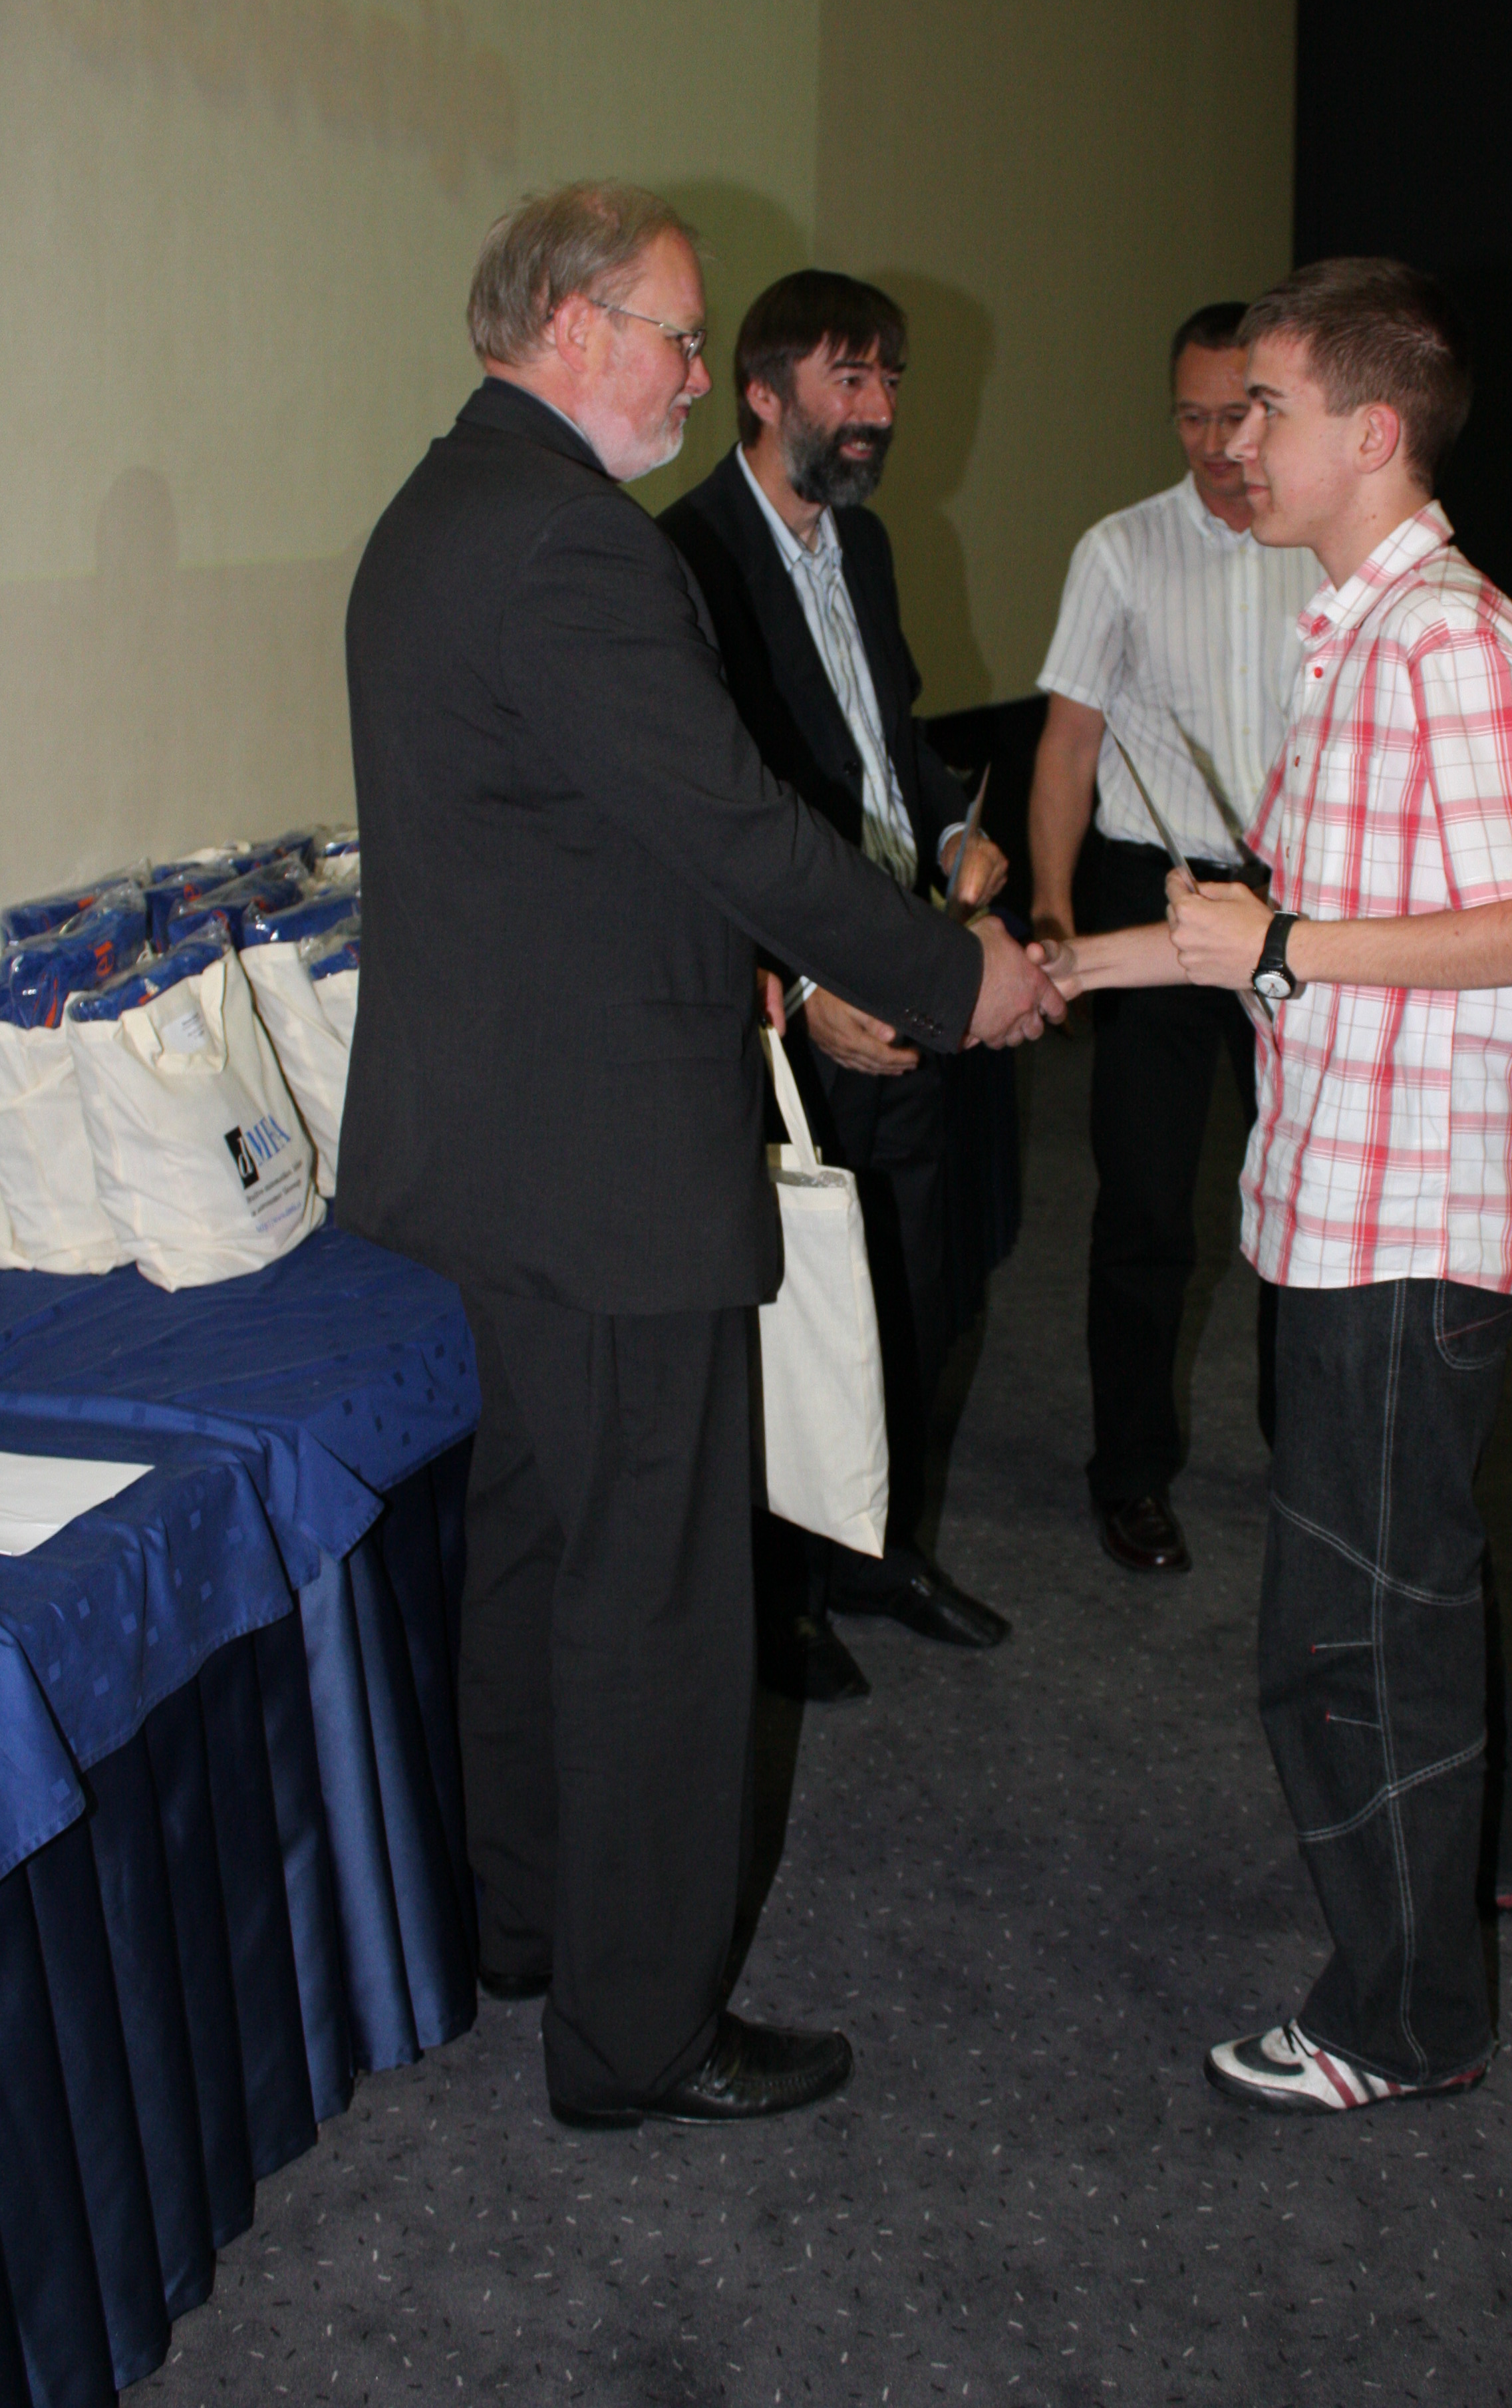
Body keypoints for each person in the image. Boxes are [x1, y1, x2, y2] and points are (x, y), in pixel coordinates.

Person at [339, 184, 1063, 2131]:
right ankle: (639, 2034)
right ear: (576, 327)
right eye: (674, 333)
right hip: (603, 1173)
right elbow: (734, 827)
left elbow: (587, 844)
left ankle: (527, 1929)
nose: (690, 371)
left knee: (533, 1553)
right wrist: (955, 978)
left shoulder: (440, 513)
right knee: (655, 1604)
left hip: (489, 1158)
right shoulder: (575, 544)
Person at [1035, 257, 1512, 2113]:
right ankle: (1477, 1864)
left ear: (1372, 434)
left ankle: (1403, 2017)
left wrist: (1287, 944)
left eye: (1267, 408)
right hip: (1357, 1195)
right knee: (1414, 1575)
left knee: (1348, 1634)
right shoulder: (1353, 634)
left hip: (1406, 1217)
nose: (1235, 443)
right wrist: (1054, 970)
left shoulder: (1447, 644)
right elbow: (1256, 932)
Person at [660, 271, 1012, 1704]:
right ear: (762, 391)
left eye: (889, 383)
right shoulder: (684, 558)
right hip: (792, 1010)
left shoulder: (863, 544)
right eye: (848, 381)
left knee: (914, 1289)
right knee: (796, 1311)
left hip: (905, 963)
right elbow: (710, 817)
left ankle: (877, 1552)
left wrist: (953, 827)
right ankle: (779, 1600)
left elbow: (890, 738)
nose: (877, 411)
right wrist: (801, 988)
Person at [1028, 305, 1319, 1577]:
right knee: (1145, 1205)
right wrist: (1055, 914)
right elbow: (1068, 747)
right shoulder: (1121, 551)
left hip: (1298, 904)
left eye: (1234, 415)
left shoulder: (1321, 545)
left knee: (1304, 1202)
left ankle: (1308, 1458)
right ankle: (1131, 1473)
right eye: (1190, 418)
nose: (1212, 443)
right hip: (1154, 890)